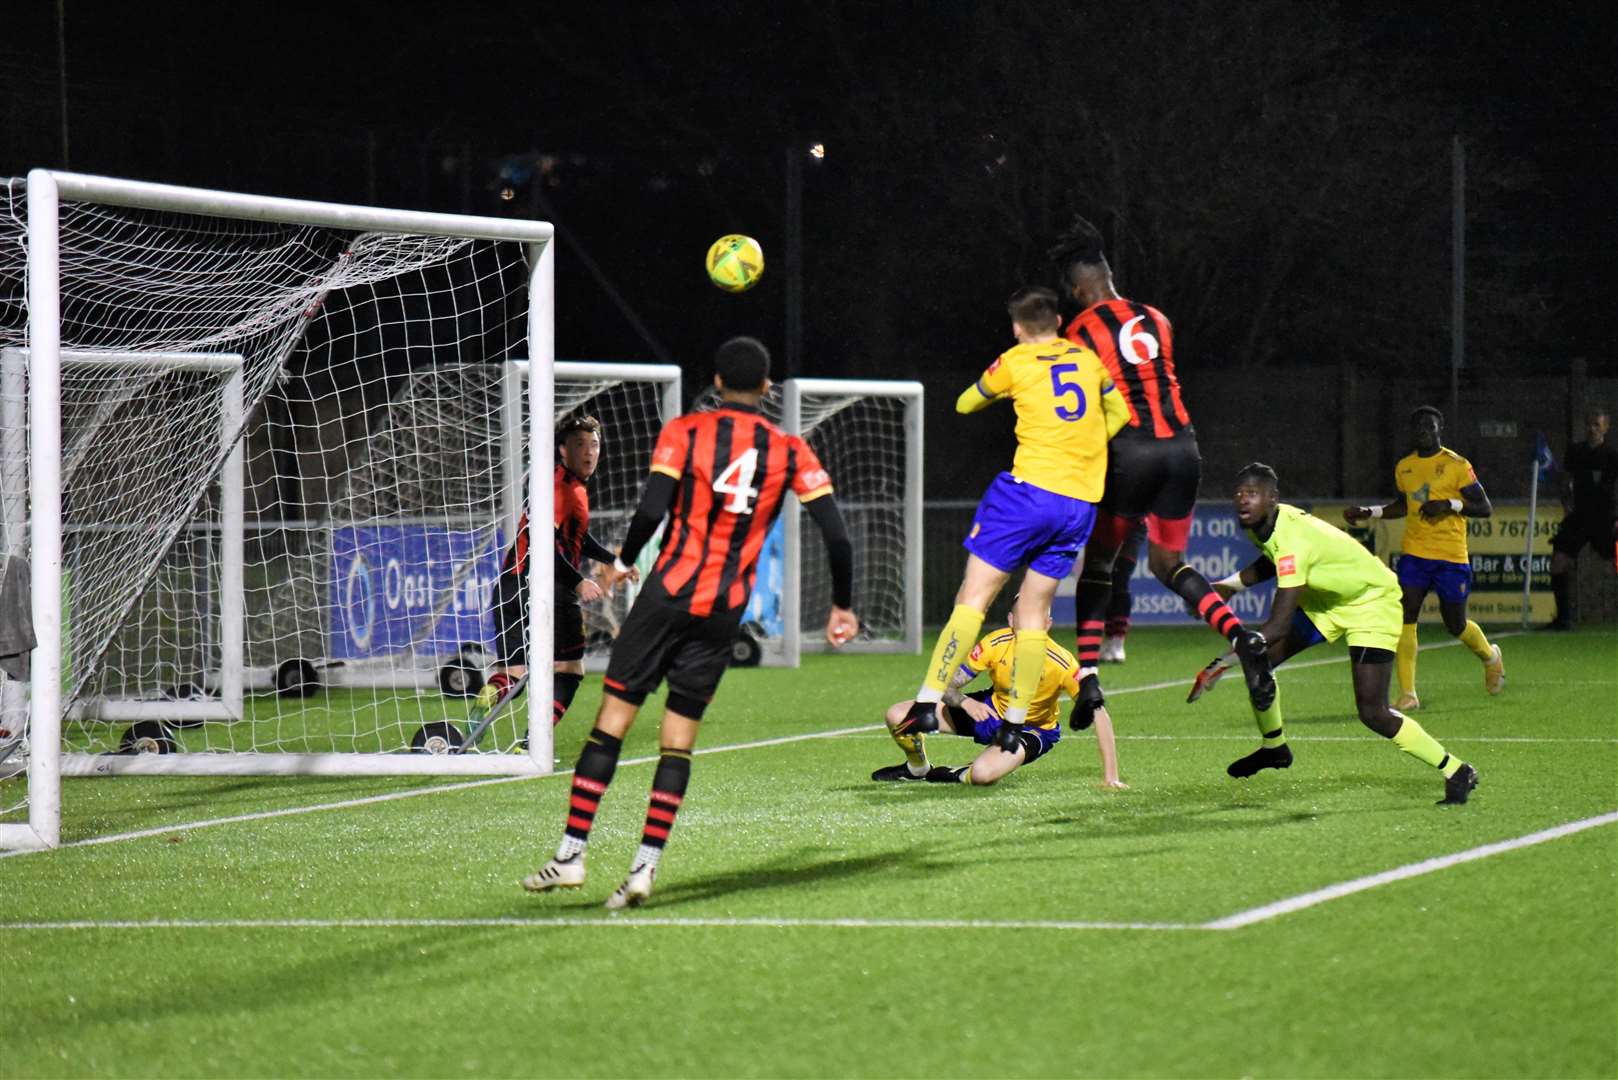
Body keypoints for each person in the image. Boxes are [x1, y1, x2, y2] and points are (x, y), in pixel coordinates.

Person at [522, 337, 859, 909]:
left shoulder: (686, 432)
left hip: (668, 596)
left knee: (610, 725)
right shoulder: (791, 450)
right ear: (768, 389)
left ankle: (572, 856)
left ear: (717, 384)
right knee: (677, 743)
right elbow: (837, 534)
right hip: (723, 612)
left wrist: (625, 558)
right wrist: (842, 605)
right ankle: (643, 870)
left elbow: (653, 509)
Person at [1048, 215, 1269, 726]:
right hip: (1183, 449)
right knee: (1168, 563)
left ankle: (1087, 682)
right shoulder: (1157, 317)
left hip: (1132, 453)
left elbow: (1085, 406)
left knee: (1099, 564)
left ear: (1081, 286)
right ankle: (1241, 635)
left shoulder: (1082, 330)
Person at [894, 286, 1129, 754]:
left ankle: (927, 699)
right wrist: (1080, 443)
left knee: (974, 597)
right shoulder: (1087, 360)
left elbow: (965, 403)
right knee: (1033, 614)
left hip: (1027, 494)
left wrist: (1000, 386)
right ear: (1059, 321)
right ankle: (1015, 720)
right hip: (1079, 502)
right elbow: (1120, 411)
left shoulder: (1015, 361)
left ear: (1018, 327)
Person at [1192, 463, 1478, 805]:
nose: (1243, 500)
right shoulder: (1263, 524)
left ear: (1273, 499)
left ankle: (1456, 769)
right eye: (1238, 494)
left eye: (1252, 494)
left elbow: (1278, 625)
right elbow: (1271, 559)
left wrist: (1222, 663)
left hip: (1372, 600)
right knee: (1261, 661)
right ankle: (1275, 748)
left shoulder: (1292, 539)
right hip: (1329, 601)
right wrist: (1232, 585)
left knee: (1373, 712)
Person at [471, 415, 622, 740]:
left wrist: (614, 560)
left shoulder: (555, 483)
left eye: (594, 444)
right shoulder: (565, 489)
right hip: (545, 589)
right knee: (569, 669)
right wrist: (578, 581)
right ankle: (531, 743)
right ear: (563, 451)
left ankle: (489, 697)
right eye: (580, 445)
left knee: (513, 673)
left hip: (509, 586)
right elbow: (543, 541)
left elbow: (576, 538)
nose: (589, 452)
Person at [1343, 406, 1503, 709]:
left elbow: (1484, 507)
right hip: (1415, 554)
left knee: (1455, 623)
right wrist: (1370, 512)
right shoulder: (1405, 467)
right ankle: (1408, 694)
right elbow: (1404, 505)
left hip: (1451, 557)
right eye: (1419, 427)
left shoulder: (1456, 465)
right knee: (1405, 616)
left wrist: (1449, 505)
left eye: (1430, 427)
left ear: (1439, 430)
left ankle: (1490, 656)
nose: (1424, 432)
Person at [874, 608, 1125, 788]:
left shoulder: (1062, 663)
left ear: (1047, 624)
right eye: (1022, 617)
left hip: (1032, 730)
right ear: (1011, 619)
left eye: (1035, 619)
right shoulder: (995, 642)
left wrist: (1111, 776)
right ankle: (918, 769)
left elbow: (1098, 712)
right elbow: (947, 686)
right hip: (989, 713)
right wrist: (966, 702)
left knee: (983, 774)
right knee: (898, 716)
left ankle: (959, 773)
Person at [1547, 405, 1618, 628]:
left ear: (1606, 428)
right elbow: (1565, 480)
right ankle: (1563, 619)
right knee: (1558, 560)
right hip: (1580, 516)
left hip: (1605, 517)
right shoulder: (1576, 452)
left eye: (1597, 425)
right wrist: (1566, 503)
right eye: (1589, 424)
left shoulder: (1612, 455)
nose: (1592, 429)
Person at [1099, 521, 1146, 663]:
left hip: (1133, 526)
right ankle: (1108, 638)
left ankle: (1118, 641)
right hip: (1109, 525)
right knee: (1106, 581)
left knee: (1121, 578)